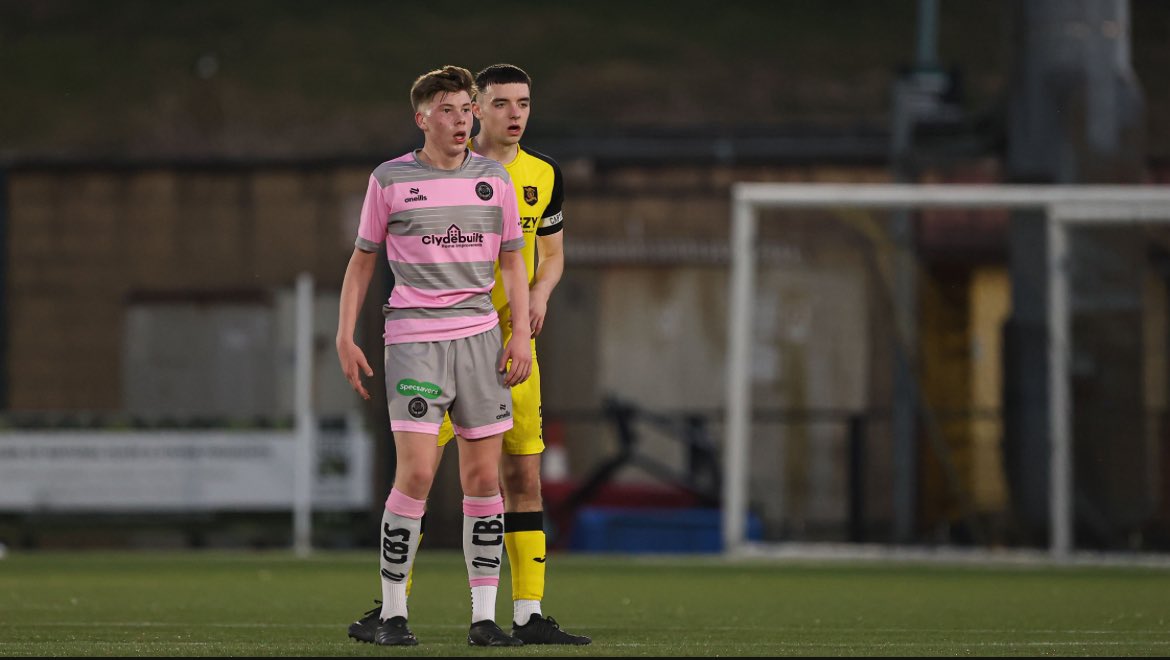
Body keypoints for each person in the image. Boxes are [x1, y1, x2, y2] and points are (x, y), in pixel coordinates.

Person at [347, 63, 591, 647]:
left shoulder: (533, 176)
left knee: (513, 476)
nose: (514, 115)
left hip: (500, 344)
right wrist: (346, 331)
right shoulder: (399, 177)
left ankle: (517, 614)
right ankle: (392, 606)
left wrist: (532, 308)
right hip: (421, 342)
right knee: (418, 473)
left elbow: (541, 256)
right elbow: (363, 260)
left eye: (524, 103)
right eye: (499, 103)